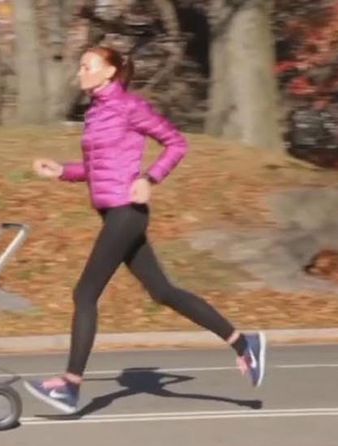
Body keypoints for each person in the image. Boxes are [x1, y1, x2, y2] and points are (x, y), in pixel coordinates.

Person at [23, 46, 266, 414]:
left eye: (87, 66)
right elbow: (97, 169)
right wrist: (61, 171)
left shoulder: (129, 106)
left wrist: (150, 177)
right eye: (81, 67)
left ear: (109, 72)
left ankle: (70, 386)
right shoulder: (96, 113)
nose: (80, 73)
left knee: (84, 294)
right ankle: (243, 343)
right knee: (163, 291)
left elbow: (176, 143)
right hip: (114, 214)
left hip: (127, 212)